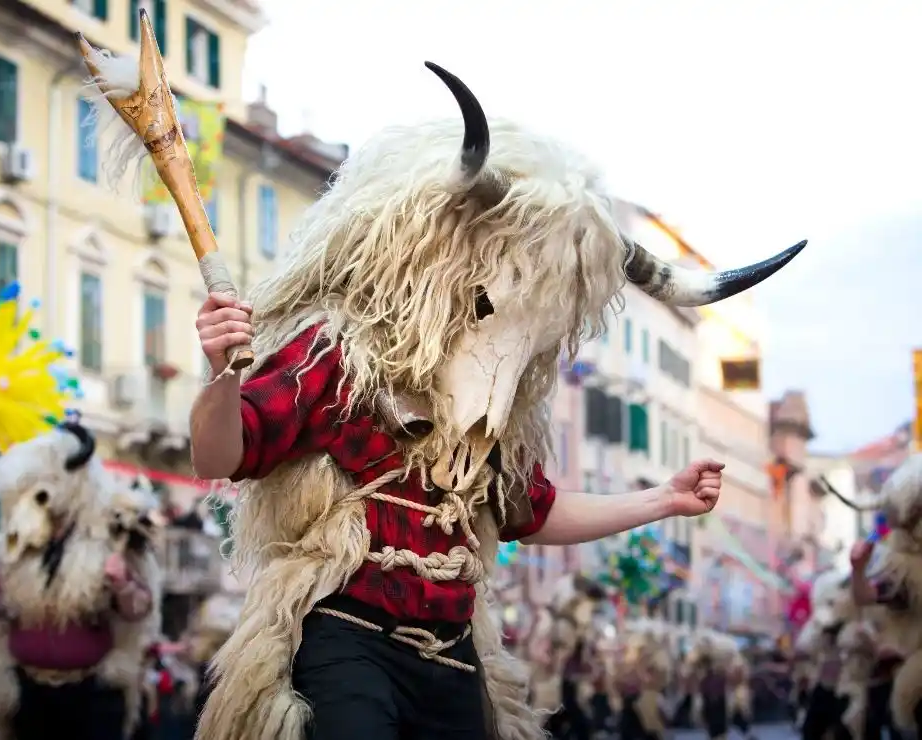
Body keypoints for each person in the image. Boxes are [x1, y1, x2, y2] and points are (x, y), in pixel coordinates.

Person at [188, 61, 802, 740]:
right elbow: (223, 452)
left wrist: (664, 499)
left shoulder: (501, 419)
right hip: (345, 639)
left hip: (454, 656)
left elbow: (531, 514)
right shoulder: (338, 357)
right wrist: (220, 374)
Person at [0, 424, 160, 740]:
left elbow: (139, 610)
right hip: (29, 694)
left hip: (91, 695)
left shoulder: (108, 541)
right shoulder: (12, 549)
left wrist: (122, 582)